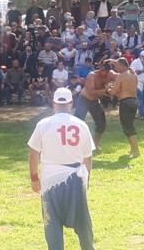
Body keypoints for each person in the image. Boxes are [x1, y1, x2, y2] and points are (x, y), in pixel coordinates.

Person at [27, 88, 96, 250]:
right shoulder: (81, 125)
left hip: (50, 179)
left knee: (52, 222)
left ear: (54, 104)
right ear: (71, 103)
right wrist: (88, 179)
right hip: (75, 178)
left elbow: (33, 155)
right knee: (83, 220)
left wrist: (34, 178)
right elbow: (88, 157)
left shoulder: (43, 124)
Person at [74, 64, 115, 150]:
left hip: (95, 101)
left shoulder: (110, 75)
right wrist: (105, 90)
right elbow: (91, 92)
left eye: (105, 72)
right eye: (101, 70)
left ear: (108, 72)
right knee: (77, 123)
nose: (103, 73)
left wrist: (111, 88)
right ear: (99, 69)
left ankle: (95, 145)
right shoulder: (92, 75)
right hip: (84, 99)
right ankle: (75, 145)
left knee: (101, 124)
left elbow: (118, 77)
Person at [105, 58, 140, 158]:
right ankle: (133, 149)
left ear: (122, 65)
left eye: (117, 66)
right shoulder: (133, 74)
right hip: (134, 101)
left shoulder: (121, 76)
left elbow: (113, 93)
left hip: (126, 102)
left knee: (128, 128)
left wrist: (108, 88)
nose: (116, 68)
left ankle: (136, 150)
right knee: (130, 125)